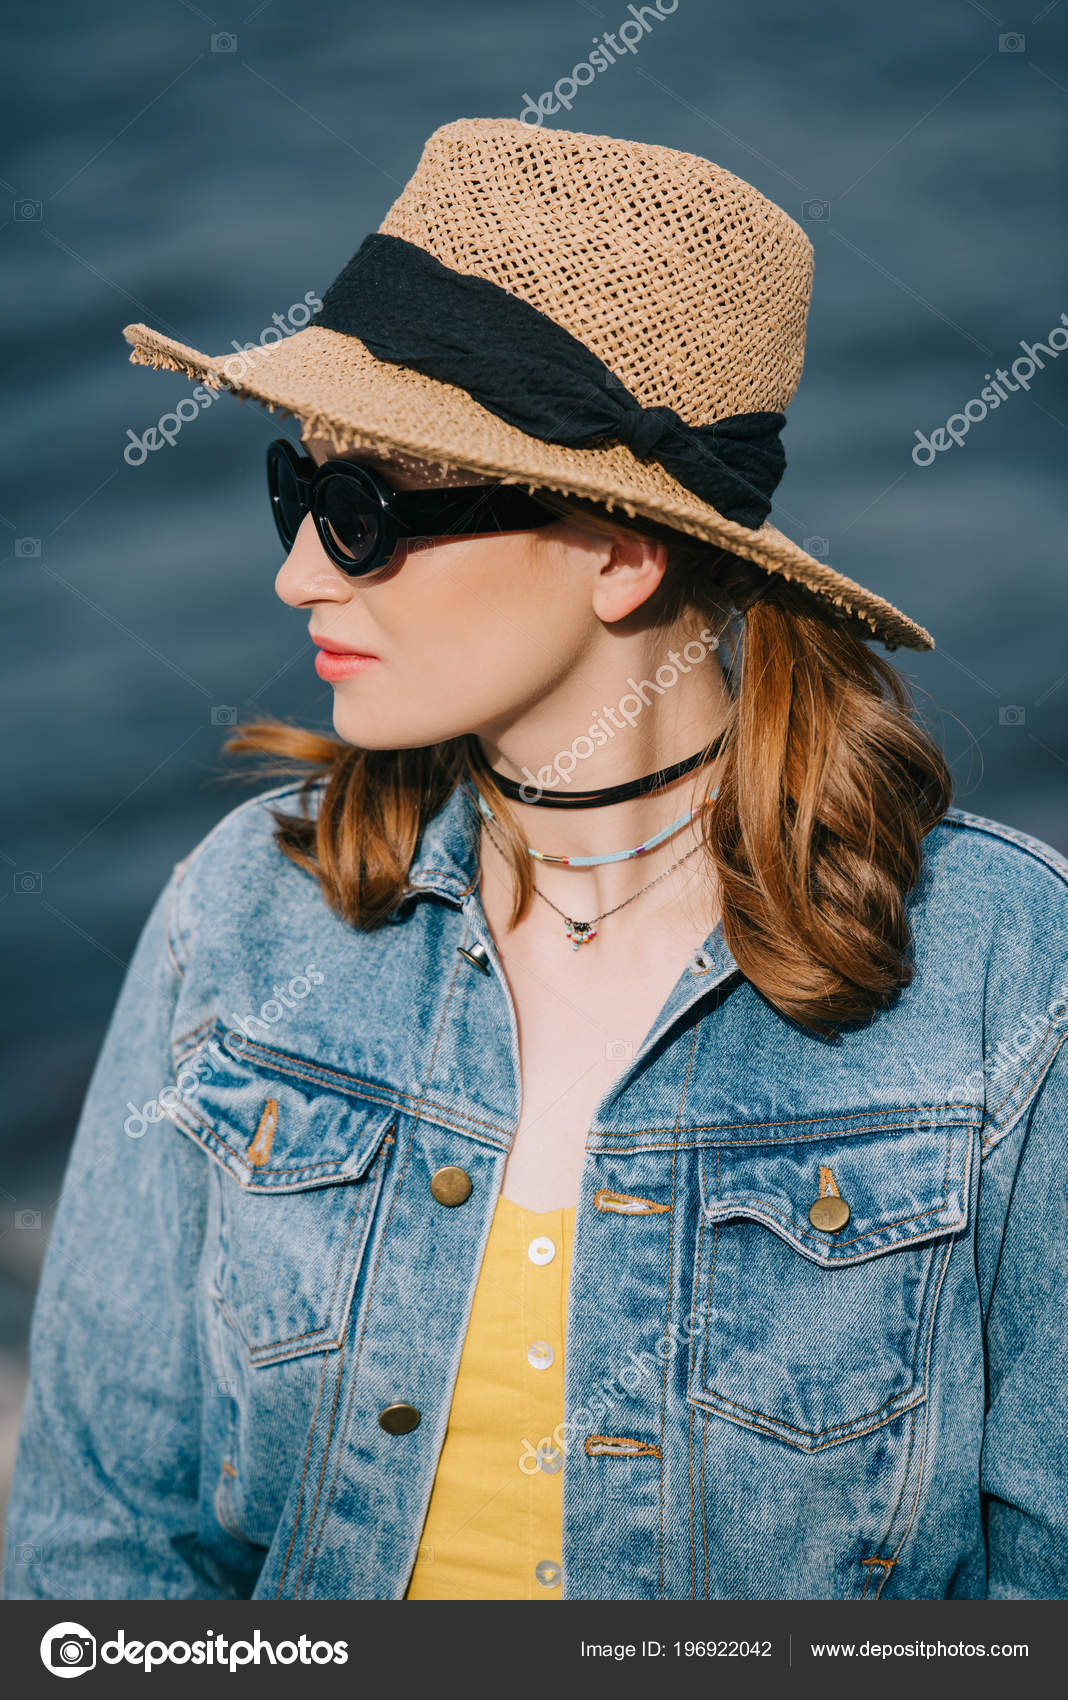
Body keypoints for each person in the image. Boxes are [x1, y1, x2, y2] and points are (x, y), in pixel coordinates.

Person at [4, 116, 1067, 1603]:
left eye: (364, 514)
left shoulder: (1006, 977)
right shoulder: (242, 915)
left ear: (622, 552)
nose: (298, 569)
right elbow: (102, 1546)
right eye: (293, 489)